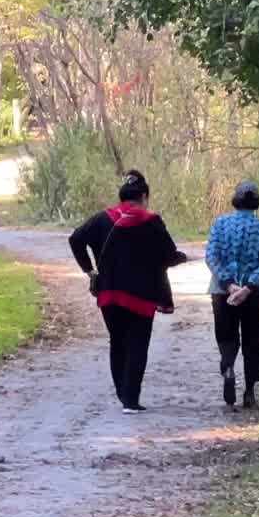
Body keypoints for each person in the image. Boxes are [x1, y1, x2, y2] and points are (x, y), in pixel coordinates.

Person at [69, 169, 188, 413]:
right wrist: (183, 258)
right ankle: (131, 400)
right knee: (138, 343)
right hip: (142, 295)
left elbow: (75, 239)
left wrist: (90, 270)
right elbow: (168, 255)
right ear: (144, 196)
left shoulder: (101, 219)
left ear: (122, 196)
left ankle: (123, 394)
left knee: (118, 341)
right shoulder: (151, 221)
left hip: (109, 293)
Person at [205, 179, 259, 409]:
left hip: (222, 291)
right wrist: (248, 288)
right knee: (252, 339)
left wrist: (228, 285)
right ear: (256, 203)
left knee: (226, 334)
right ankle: (249, 391)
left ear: (235, 201)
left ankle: (227, 366)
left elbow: (211, 256)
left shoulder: (220, 224)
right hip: (253, 295)